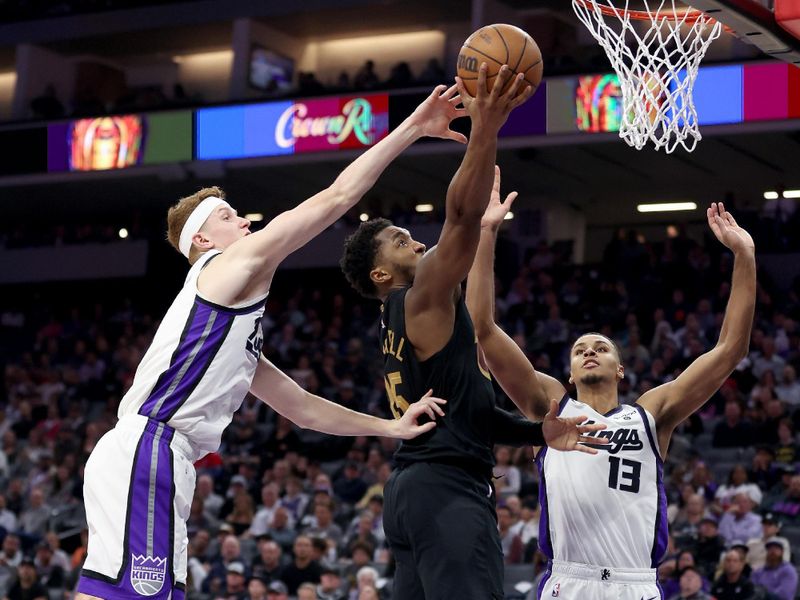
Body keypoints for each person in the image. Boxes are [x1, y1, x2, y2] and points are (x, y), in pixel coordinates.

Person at [74, 83, 475, 600]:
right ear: (202, 241)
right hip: (149, 449)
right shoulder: (222, 269)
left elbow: (302, 407)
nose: (243, 220)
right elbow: (337, 197)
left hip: (151, 454)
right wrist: (414, 128)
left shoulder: (224, 325)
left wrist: (391, 427)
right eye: (227, 216)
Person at [340, 66, 604, 599]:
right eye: (400, 241)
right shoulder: (418, 299)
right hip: (445, 493)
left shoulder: (409, 321)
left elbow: (474, 412)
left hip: (414, 493)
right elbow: (457, 219)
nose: (416, 244)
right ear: (380, 275)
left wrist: (538, 434)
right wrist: (487, 126)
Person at [467, 189, 756, 600]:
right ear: (568, 372)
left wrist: (745, 256)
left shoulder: (651, 413)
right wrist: (485, 232)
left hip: (635, 582)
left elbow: (730, 350)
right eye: (580, 349)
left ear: (620, 368)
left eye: (601, 348)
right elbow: (482, 327)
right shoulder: (548, 405)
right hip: (570, 580)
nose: (589, 351)